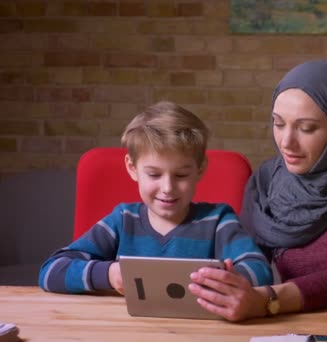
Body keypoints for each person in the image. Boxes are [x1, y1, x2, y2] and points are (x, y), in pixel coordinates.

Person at [188, 60, 327, 321]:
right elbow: (250, 262)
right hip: (284, 325)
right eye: (278, 123)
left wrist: (265, 301)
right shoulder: (266, 179)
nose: (286, 142)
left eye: (306, 128)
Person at [39, 101, 273, 294]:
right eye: (154, 174)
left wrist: (227, 279)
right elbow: (51, 272)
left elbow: (261, 270)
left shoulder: (219, 220)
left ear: (200, 169)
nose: (168, 187)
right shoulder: (122, 220)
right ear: (132, 168)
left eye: (181, 175)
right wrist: (109, 274)